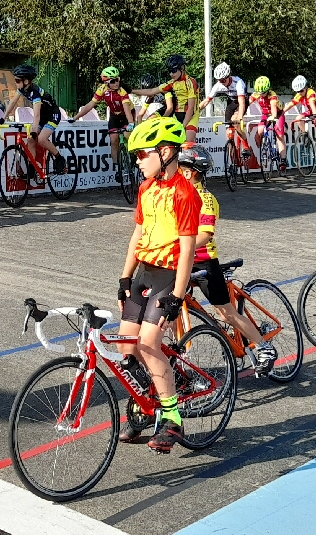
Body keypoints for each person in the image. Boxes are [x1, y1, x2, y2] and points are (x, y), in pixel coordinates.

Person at [116, 116, 202, 453]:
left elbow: (187, 251)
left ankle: (172, 418)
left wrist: (177, 297)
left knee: (149, 344)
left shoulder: (185, 193)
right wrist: (125, 276)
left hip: (168, 273)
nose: (137, 162)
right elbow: (137, 234)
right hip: (144, 271)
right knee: (127, 348)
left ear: (165, 151)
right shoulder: (146, 188)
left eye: (141, 155)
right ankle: (149, 397)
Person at [177, 143, 279, 371]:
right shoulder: (176, 196)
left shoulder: (205, 198)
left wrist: (182, 245)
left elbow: (205, 233)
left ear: (190, 172)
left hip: (203, 260)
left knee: (226, 313)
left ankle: (264, 347)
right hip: (179, 259)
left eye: (179, 167)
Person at [70, 66, 136, 182]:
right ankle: (117, 169)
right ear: (106, 82)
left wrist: (131, 123)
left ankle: (132, 158)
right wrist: (75, 117)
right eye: (113, 81)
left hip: (127, 114)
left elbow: (126, 109)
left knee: (126, 135)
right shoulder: (102, 90)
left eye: (118, 79)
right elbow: (90, 105)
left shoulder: (122, 91)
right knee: (113, 140)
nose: (117, 83)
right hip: (114, 116)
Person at [0, 64, 67, 172]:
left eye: (17, 80)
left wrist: (34, 130)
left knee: (41, 139)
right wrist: (3, 118)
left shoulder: (35, 93)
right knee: (31, 140)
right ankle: (32, 167)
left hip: (52, 115)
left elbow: (36, 114)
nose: (15, 83)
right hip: (42, 116)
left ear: (26, 81)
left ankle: (59, 158)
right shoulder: (23, 89)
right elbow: (12, 102)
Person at [132, 55, 200, 142]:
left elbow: (190, 108)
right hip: (177, 114)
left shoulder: (191, 82)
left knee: (188, 141)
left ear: (182, 68)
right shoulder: (171, 83)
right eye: (169, 71)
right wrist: (130, 91)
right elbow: (152, 91)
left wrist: (182, 126)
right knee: (171, 142)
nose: (171, 74)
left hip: (191, 115)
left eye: (174, 71)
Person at [199, 62, 252, 157]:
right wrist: (196, 110)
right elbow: (207, 100)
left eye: (223, 80)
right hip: (231, 102)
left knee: (235, 123)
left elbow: (241, 101)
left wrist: (239, 117)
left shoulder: (238, 82)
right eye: (219, 80)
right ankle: (232, 161)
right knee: (229, 132)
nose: (221, 82)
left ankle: (246, 147)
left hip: (242, 101)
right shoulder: (218, 85)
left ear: (229, 76)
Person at [283, 75, 316, 157]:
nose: (299, 93)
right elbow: (291, 104)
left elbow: (312, 103)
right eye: (297, 91)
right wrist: (281, 112)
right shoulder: (299, 95)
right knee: (298, 118)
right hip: (311, 111)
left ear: (305, 87)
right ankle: (305, 135)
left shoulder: (310, 92)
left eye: (301, 91)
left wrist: (315, 115)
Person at [248, 76, 287, 170]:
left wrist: (273, 117)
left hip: (278, 114)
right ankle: (265, 147)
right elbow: (247, 103)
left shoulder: (272, 95)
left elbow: (274, 108)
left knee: (279, 136)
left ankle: (283, 159)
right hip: (265, 114)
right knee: (260, 130)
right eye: (259, 93)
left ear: (268, 90)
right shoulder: (256, 94)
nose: (261, 95)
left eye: (263, 93)